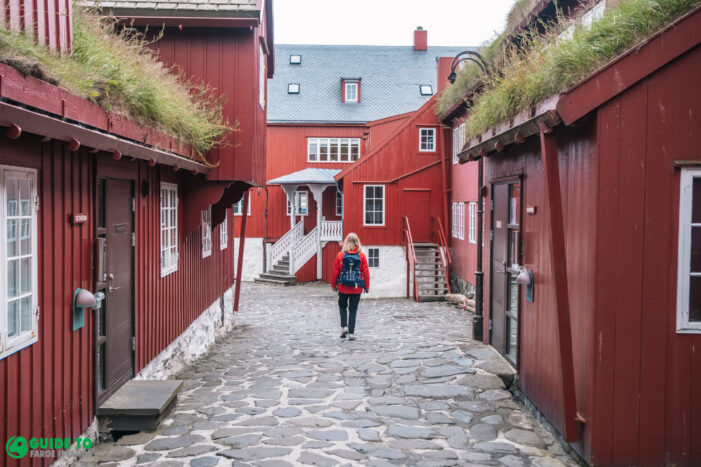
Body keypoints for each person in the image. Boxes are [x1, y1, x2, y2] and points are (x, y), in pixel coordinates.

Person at [332, 233, 370, 340]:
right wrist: (366, 286)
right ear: (357, 242)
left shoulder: (340, 255)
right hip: (356, 287)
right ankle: (351, 333)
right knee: (353, 309)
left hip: (343, 286)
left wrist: (333, 284)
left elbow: (335, 272)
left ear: (346, 242)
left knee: (342, 306)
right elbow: (366, 272)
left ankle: (344, 326)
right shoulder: (361, 256)